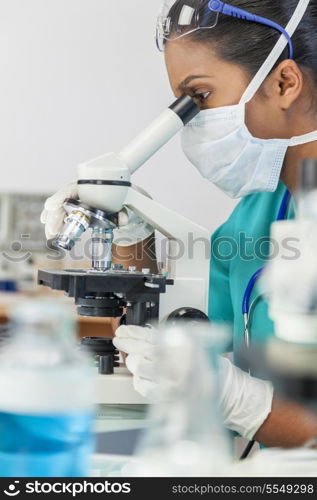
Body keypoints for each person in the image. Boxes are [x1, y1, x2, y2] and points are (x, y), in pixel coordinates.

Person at [41, 0, 317, 448]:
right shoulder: (258, 214)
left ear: (284, 83)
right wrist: (130, 233)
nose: (193, 121)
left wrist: (243, 403)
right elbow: (170, 345)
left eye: (201, 96)